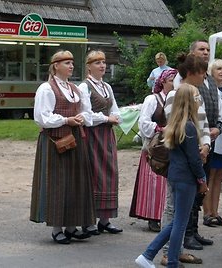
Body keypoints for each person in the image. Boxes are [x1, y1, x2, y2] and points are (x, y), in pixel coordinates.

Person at [135, 83, 208, 268]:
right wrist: (202, 179)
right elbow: (194, 160)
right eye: (197, 98)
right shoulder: (189, 127)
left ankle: (148, 254)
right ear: (190, 102)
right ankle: (171, 261)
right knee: (180, 223)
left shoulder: (174, 125)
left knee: (176, 220)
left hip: (175, 176)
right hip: (186, 178)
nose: (199, 101)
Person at [30, 50, 95, 244]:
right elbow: (42, 117)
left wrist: (82, 117)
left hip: (76, 139)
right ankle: (57, 229)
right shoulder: (46, 88)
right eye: (66, 62)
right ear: (56, 65)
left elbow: (87, 112)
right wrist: (67, 119)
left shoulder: (75, 89)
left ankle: (71, 227)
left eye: (72, 62)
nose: (71, 66)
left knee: (75, 182)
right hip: (56, 141)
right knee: (58, 183)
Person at [172, 40, 222, 251]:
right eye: (201, 49)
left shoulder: (209, 80)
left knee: (200, 189)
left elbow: (218, 107)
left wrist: (218, 127)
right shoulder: (182, 80)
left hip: (207, 139)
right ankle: (186, 234)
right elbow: (183, 112)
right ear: (192, 53)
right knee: (192, 188)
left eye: (208, 50)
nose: (205, 52)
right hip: (190, 141)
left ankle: (193, 230)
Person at [159, 53, 211, 266]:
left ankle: (176, 249)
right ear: (191, 73)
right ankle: (166, 252)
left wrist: (206, 144)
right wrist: (195, 148)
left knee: (185, 209)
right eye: (201, 73)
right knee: (173, 208)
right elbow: (177, 128)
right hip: (182, 159)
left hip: (196, 154)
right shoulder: (175, 95)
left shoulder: (196, 92)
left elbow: (203, 122)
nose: (204, 77)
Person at [78, 50, 123, 235]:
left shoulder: (107, 87)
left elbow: (116, 110)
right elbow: (86, 115)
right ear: (89, 66)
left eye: (103, 62)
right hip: (92, 136)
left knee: (109, 174)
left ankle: (105, 220)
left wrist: (115, 118)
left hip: (107, 136)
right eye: (97, 62)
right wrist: (107, 119)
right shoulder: (84, 87)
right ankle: (88, 221)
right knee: (93, 175)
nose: (102, 65)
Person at [129, 68, 177, 232]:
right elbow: (143, 122)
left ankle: (167, 215)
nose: (174, 83)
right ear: (163, 81)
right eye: (171, 80)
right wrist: (159, 128)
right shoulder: (152, 99)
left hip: (171, 147)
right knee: (154, 182)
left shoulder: (177, 99)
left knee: (167, 183)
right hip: (155, 147)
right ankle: (152, 216)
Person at [202, 59, 222, 227]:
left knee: (219, 176)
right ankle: (207, 212)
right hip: (214, 135)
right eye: (218, 69)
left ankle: (215, 211)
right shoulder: (209, 89)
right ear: (211, 72)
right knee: (210, 175)